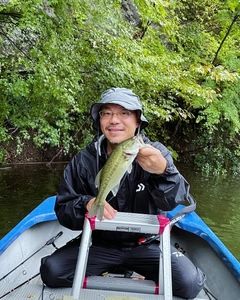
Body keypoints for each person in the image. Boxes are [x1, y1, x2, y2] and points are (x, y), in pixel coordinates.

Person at [40, 87, 206, 298]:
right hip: (99, 244)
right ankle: (111, 266)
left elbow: (170, 202)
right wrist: (86, 203)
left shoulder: (157, 153)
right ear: (99, 121)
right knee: (51, 272)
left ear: (138, 121)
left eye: (124, 113)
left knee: (189, 284)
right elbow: (64, 210)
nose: (114, 120)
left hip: (146, 244)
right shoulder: (84, 160)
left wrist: (164, 172)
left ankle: (136, 267)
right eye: (106, 113)